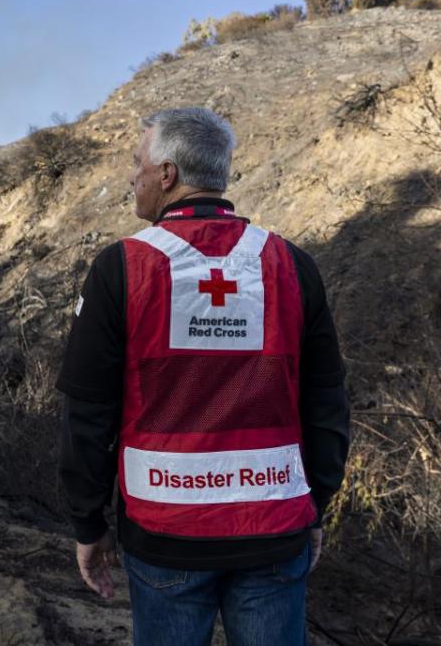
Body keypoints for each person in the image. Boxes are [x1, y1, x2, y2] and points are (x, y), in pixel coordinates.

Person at [57, 107, 350, 646]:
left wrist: (88, 522)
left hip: (166, 532)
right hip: (273, 528)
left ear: (167, 175)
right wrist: (316, 505)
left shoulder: (121, 267)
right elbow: (327, 403)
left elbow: (87, 411)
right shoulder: (291, 264)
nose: (132, 176)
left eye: (137, 163)